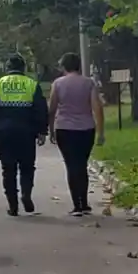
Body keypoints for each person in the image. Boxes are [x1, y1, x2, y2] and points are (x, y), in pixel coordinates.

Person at [0, 54, 49, 216]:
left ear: (7, 68)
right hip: (26, 132)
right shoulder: (32, 84)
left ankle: (12, 204)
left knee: (8, 169)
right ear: (23, 68)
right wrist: (42, 131)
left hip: (4, 132)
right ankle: (26, 194)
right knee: (27, 167)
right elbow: (41, 110)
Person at [48, 52, 105, 217]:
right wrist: (101, 132)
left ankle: (77, 205)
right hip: (86, 129)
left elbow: (52, 109)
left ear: (63, 66)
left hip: (64, 129)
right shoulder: (89, 83)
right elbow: (97, 108)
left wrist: (51, 129)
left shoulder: (57, 84)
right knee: (82, 165)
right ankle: (85, 202)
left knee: (71, 165)